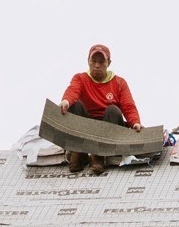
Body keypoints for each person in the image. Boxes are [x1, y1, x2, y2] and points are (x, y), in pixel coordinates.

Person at [60, 44, 142, 175]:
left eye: (101, 61)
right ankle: (79, 152)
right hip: (86, 127)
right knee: (75, 105)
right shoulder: (80, 78)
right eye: (93, 61)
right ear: (88, 61)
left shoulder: (119, 83)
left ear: (108, 63)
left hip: (108, 129)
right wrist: (66, 101)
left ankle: (99, 155)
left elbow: (128, 106)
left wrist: (135, 122)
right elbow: (73, 90)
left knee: (113, 110)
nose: (97, 65)